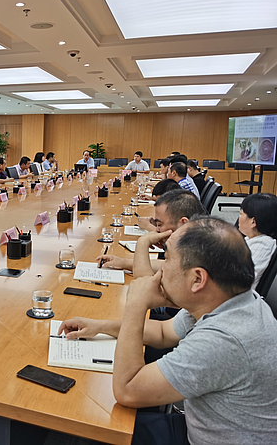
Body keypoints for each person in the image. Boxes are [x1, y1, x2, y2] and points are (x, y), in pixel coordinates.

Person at [60, 218, 277, 445]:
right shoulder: (228, 299)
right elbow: (164, 332)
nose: (162, 268)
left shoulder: (224, 339)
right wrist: (101, 326)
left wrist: (136, 305)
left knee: (87, 428)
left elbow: (127, 391)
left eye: (168, 259)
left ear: (197, 279)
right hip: (204, 427)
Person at [97, 190, 205, 276]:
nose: (156, 230)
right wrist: (124, 263)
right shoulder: (195, 242)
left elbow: (144, 285)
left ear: (183, 223)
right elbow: (166, 266)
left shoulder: (201, 255)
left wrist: (143, 242)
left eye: (159, 225)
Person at [239, 193, 277, 289]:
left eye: (241, 214)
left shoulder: (262, 245)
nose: (239, 218)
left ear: (253, 222)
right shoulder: (252, 238)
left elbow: (242, 281)